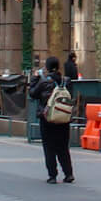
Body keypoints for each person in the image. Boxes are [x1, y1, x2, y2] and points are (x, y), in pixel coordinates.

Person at [30, 55, 75, 183]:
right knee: (63, 147)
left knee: (49, 147)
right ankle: (68, 173)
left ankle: (52, 176)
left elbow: (32, 93)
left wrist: (35, 78)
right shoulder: (66, 81)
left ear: (47, 67)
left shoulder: (43, 82)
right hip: (63, 118)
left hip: (48, 118)